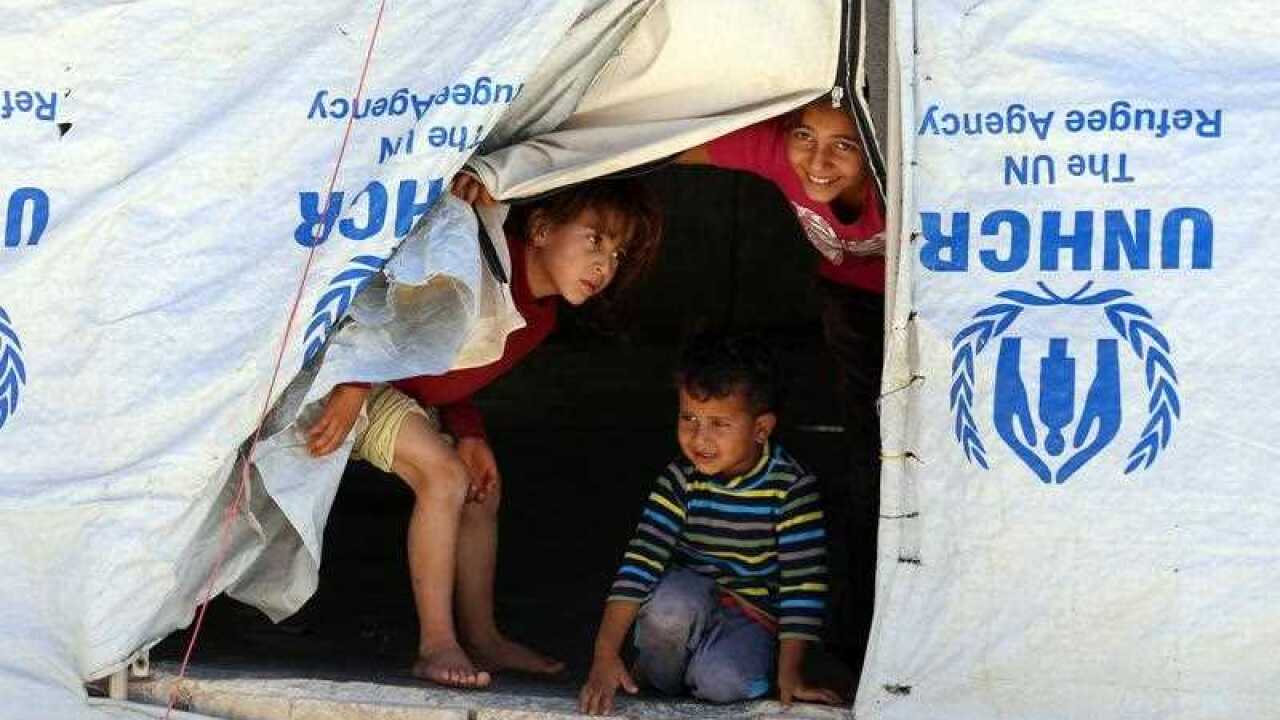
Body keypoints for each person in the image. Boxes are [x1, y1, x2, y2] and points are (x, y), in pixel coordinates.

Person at [306, 175, 663, 689]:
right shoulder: (480, 254)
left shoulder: (539, 318)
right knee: (444, 475)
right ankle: (436, 645)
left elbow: (451, 366)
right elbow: (388, 300)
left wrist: (469, 431)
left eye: (618, 254)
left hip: (399, 392)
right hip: (350, 380)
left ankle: (483, 637)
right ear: (540, 229)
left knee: (479, 490)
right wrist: (357, 382)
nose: (605, 266)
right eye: (595, 241)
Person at [677, 93, 885, 665]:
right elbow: (657, 144)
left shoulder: (904, 173)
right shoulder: (772, 148)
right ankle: (852, 630)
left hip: (926, 301)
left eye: (844, 145)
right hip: (850, 299)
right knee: (866, 446)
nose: (817, 162)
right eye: (805, 138)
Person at [578, 329, 843, 714]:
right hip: (688, 604)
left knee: (725, 683)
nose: (699, 437)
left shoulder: (791, 489)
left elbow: (802, 587)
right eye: (689, 417)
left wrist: (791, 674)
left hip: (754, 618)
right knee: (671, 605)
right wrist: (604, 655)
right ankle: (656, 676)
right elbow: (640, 563)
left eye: (719, 424)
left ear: (761, 429)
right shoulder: (679, 480)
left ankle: (715, 670)